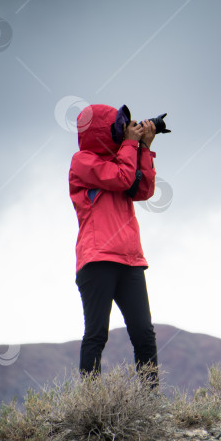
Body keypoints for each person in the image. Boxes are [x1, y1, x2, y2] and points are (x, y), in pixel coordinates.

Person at [68, 103, 160, 390]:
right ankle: (91, 404)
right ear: (100, 131)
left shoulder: (124, 158)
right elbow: (120, 178)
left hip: (130, 260)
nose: (123, 131)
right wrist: (132, 145)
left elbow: (143, 190)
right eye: (119, 126)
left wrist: (142, 148)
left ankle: (149, 403)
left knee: (144, 333)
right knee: (97, 334)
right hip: (97, 259)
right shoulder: (82, 162)